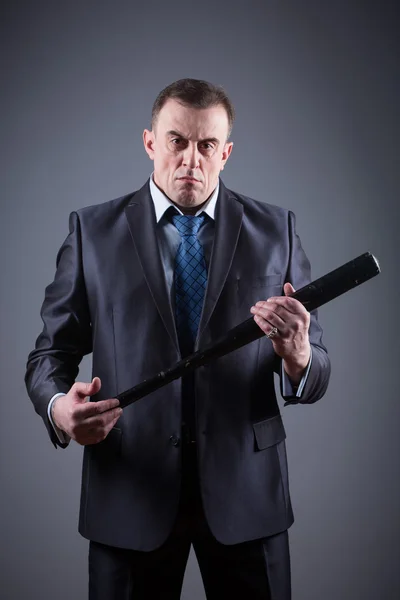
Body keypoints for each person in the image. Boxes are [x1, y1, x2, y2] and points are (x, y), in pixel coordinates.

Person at [25, 78, 331, 599]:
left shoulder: (276, 229)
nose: (191, 158)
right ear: (150, 142)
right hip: (128, 492)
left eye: (207, 145)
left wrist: (298, 354)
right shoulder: (92, 233)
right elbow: (48, 357)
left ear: (226, 152)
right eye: (176, 141)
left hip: (247, 495)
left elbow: (317, 365)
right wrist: (59, 409)